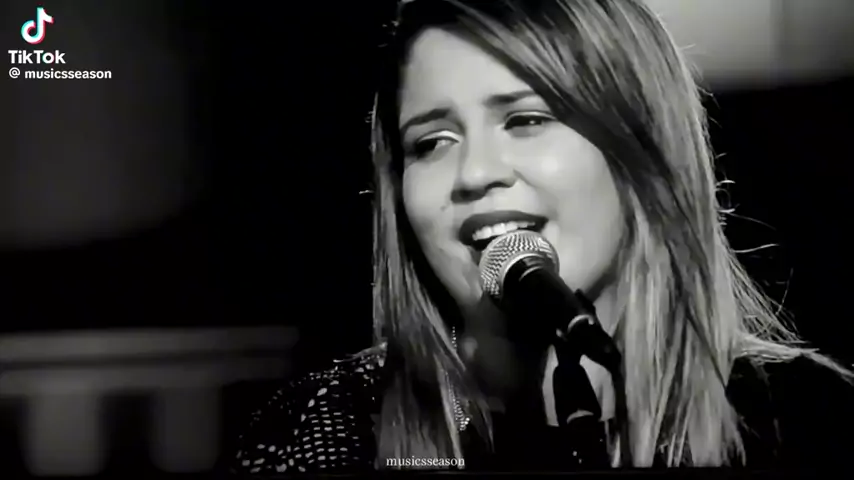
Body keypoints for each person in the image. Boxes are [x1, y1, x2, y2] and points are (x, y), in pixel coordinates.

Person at [231, 0, 854, 473]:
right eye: (432, 142)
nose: (475, 174)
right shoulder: (327, 433)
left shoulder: (805, 416)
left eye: (526, 120)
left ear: (642, 154)